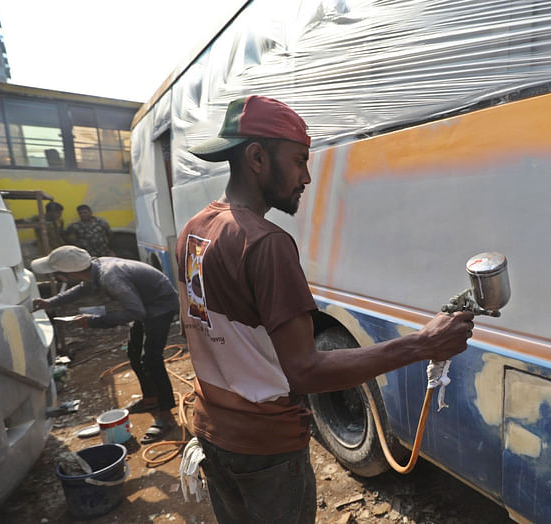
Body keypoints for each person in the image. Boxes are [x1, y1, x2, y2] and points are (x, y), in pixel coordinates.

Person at [176, 95, 475, 523]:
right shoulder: (266, 243)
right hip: (266, 450)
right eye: (299, 161)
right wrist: (422, 344)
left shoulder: (194, 229)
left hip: (213, 433)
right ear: (257, 157)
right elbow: (307, 372)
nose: (307, 177)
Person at [31, 245, 180, 444]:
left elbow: (137, 313)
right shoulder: (94, 268)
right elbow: (83, 288)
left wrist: (92, 321)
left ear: (69, 274)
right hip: (144, 304)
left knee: (151, 359)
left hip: (160, 306)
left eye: (57, 275)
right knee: (134, 354)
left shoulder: (110, 277)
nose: (57, 279)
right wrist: (51, 302)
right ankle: (150, 398)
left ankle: (166, 415)